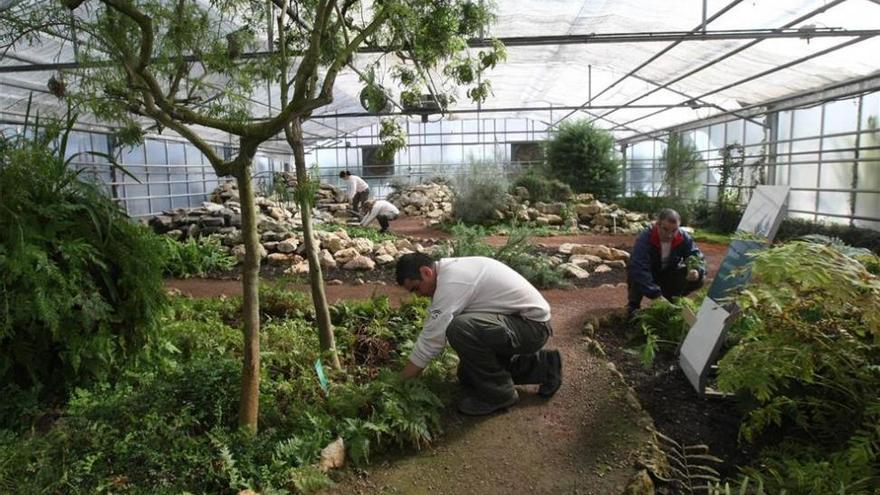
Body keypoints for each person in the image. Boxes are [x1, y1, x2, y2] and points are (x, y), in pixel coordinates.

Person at [395, 253, 562, 416]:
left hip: (532, 327)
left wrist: (399, 383)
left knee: (459, 328)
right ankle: (545, 366)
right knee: (468, 376)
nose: (418, 295)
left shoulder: (452, 281)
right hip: (519, 323)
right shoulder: (450, 272)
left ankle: (499, 395)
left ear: (426, 272)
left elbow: (431, 340)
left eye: (416, 288)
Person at [627, 208, 706, 316]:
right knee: (634, 271)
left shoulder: (683, 237)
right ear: (657, 224)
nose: (669, 235)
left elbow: (696, 255)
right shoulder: (645, 238)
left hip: (668, 274)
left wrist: (696, 269)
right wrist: (655, 295)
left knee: (699, 279)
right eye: (665, 229)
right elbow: (639, 267)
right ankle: (633, 306)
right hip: (650, 274)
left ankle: (671, 300)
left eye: (674, 230)